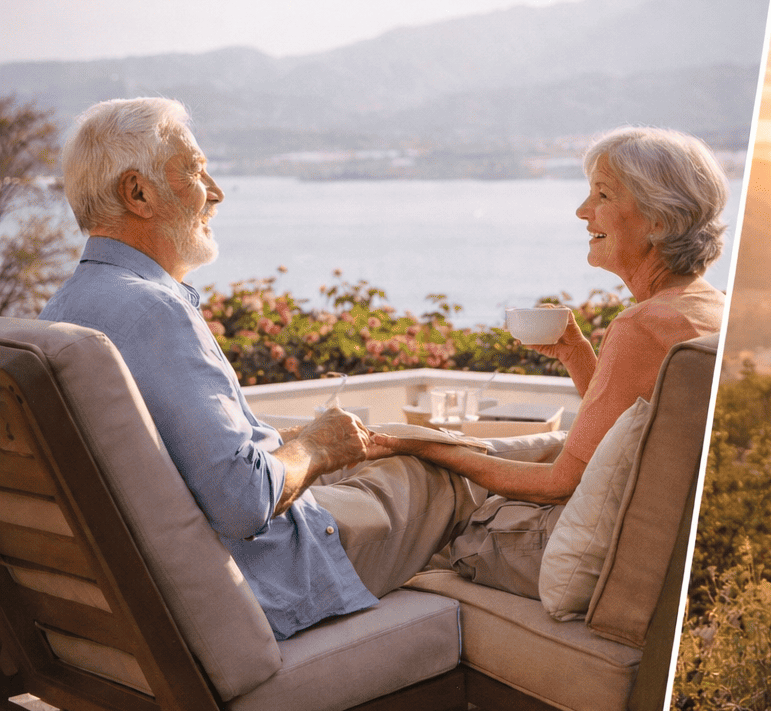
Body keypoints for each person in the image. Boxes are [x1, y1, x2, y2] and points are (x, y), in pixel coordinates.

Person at [39, 97, 476, 640]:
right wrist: (317, 447)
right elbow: (242, 501)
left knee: (401, 460)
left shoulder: (61, 313)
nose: (216, 192)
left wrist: (304, 439)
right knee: (443, 473)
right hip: (271, 578)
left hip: (135, 598)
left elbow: (176, 460)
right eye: (196, 171)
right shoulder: (154, 311)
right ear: (138, 193)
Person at [372, 126, 726, 595]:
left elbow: (559, 484)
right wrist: (578, 354)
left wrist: (427, 446)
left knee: (424, 519)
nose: (582, 211)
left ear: (658, 221)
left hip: (575, 552)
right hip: (640, 539)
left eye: (602, 194)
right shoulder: (710, 309)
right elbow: (628, 427)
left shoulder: (643, 325)